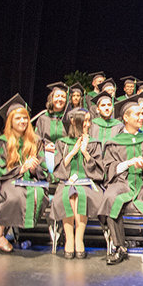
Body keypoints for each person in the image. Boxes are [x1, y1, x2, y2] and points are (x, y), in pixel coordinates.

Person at [101, 95, 143, 265]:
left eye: (142, 114)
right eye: (137, 115)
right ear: (125, 118)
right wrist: (127, 163)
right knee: (110, 197)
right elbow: (108, 168)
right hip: (122, 182)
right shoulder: (113, 143)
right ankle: (119, 247)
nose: (142, 117)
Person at [0, 94, 49, 252]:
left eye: (25, 118)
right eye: (18, 118)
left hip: (32, 181)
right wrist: (21, 169)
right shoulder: (3, 142)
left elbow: (44, 169)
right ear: (10, 122)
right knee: (15, 196)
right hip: (10, 180)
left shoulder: (36, 141)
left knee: (38, 194)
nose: (23, 122)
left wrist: (34, 169)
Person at [51, 108, 105, 259]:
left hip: (88, 184)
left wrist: (86, 152)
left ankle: (79, 238)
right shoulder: (62, 143)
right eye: (85, 121)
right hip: (66, 182)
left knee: (81, 195)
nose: (88, 124)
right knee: (68, 195)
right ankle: (69, 238)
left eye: (89, 120)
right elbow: (58, 170)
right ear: (74, 122)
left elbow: (99, 171)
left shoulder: (94, 143)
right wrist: (73, 151)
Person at [35, 82, 68, 149]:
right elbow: (36, 139)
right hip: (45, 154)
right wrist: (44, 147)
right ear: (52, 98)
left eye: (63, 97)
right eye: (57, 96)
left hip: (64, 155)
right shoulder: (43, 119)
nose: (60, 99)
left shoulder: (69, 119)